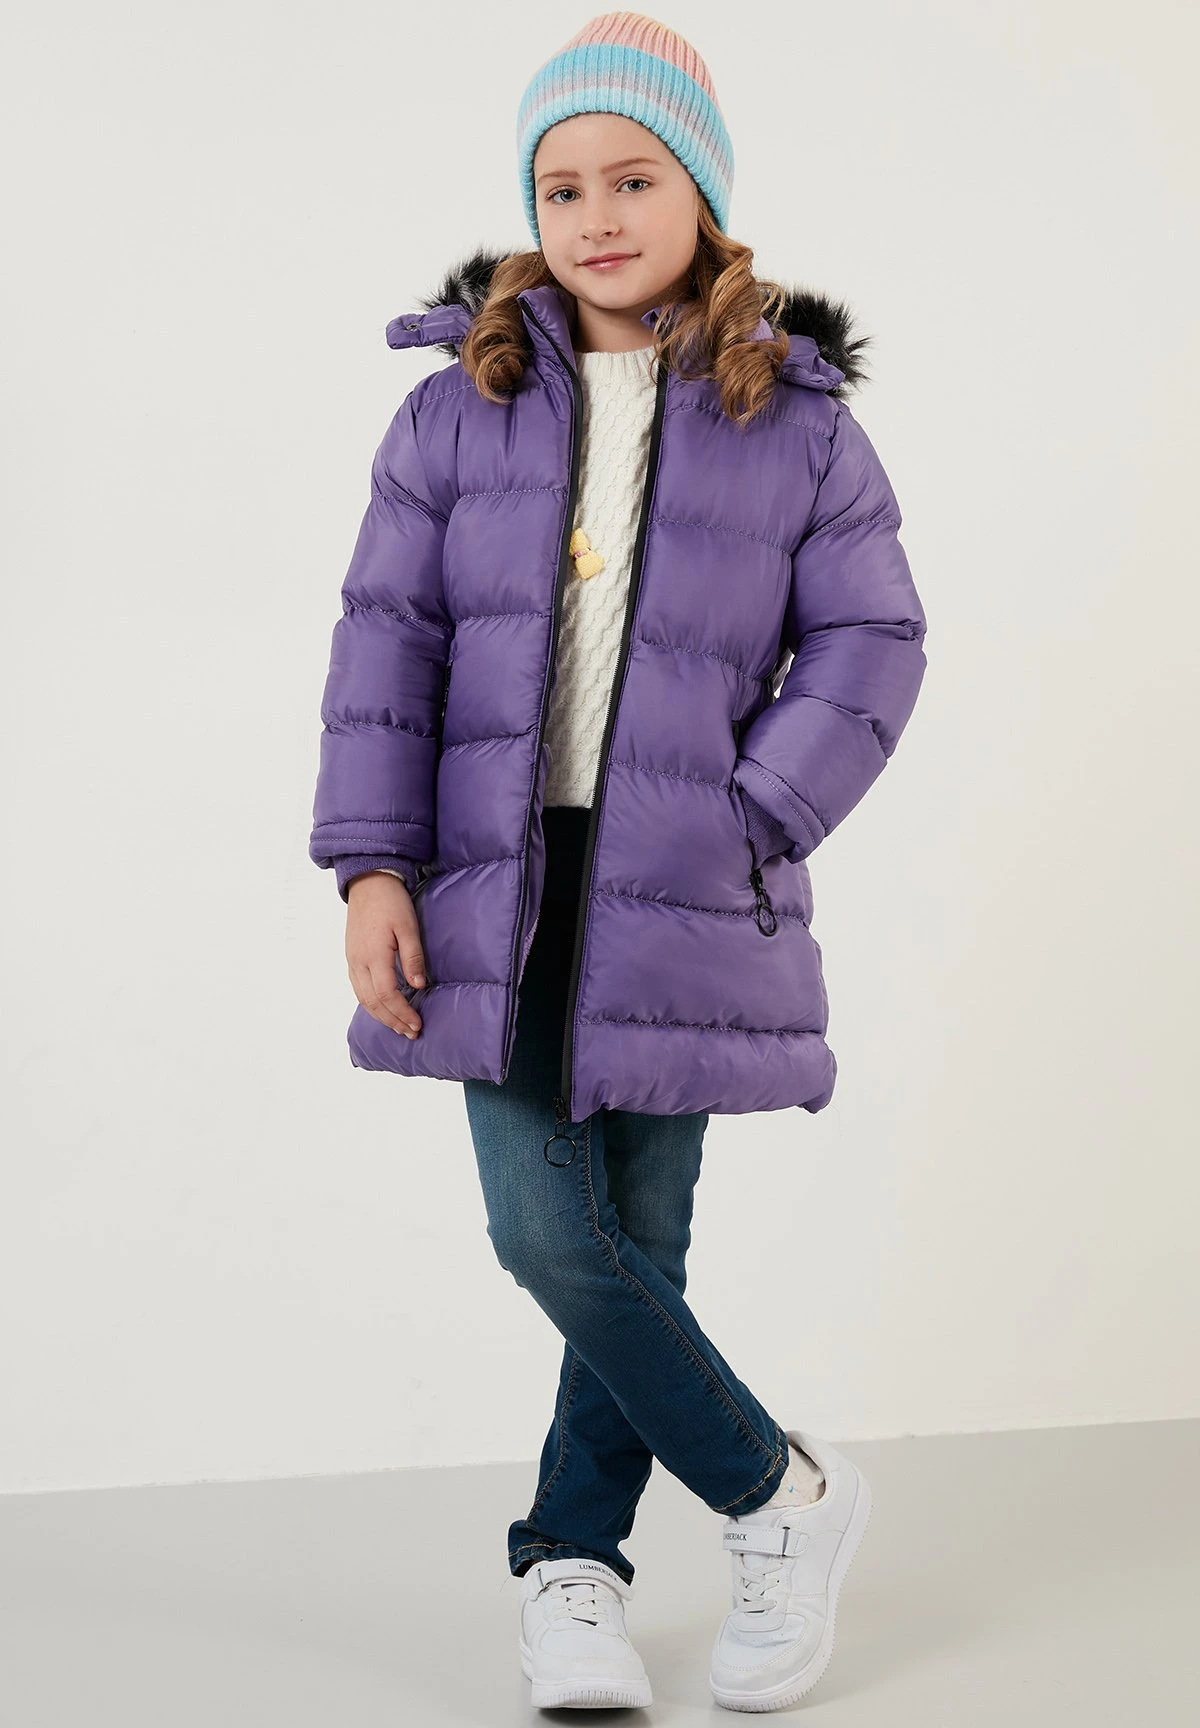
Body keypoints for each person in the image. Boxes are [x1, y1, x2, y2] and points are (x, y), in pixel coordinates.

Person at [309, 10, 927, 1712]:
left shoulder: (796, 422)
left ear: (702, 194)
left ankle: (571, 1567)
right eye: (561, 184)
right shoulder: (457, 412)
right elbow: (385, 647)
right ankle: (784, 1494)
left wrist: (756, 808)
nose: (596, 214)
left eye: (634, 177)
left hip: (683, 888)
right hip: (489, 883)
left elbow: (872, 636)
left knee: (635, 1244)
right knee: (547, 1232)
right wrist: (373, 868)